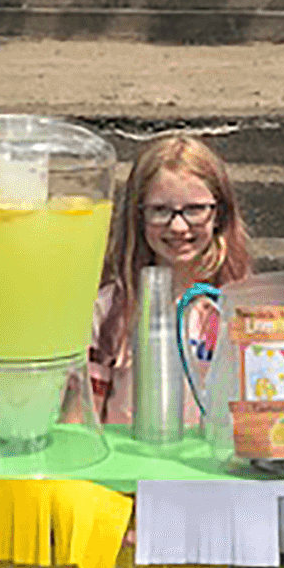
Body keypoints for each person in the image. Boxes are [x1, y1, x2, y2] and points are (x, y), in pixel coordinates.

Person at [90, 135, 252, 424]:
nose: (178, 226)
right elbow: (81, 420)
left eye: (195, 209)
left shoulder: (245, 308)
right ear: (138, 216)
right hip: (130, 465)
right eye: (160, 210)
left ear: (219, 214)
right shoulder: (108, 311)